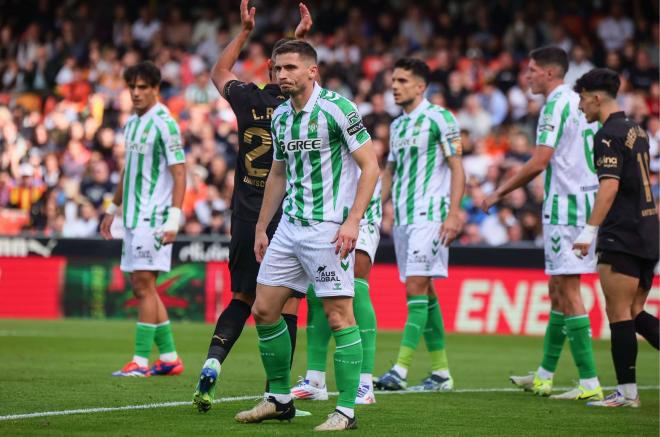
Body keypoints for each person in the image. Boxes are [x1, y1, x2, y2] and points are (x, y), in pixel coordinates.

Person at [233, 40, 379, 431]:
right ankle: (279, 400)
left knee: (337, 315)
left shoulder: (337, 109)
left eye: (291, 68)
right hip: (289, 228)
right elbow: (277, 173)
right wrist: (264, 226)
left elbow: (370, 166)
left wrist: (353, 221)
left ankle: (346, 410)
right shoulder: (280, 116)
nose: (282, 75)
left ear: (312, 71)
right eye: (278, 68)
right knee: (264, 310)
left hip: (328, 229)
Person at [192, 0, 312, 412]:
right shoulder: (292, 107)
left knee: (243, 298)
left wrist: (244, 32)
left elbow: (218, 72)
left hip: (245, 215)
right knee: (288, 304)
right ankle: (276, 394)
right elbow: (307, 78)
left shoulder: (246, 99)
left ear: (266, 73)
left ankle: (212, 361)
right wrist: (300, 42)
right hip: (286, 216)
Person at [481, 46, 603, 400]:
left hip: (565, 206)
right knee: (556, 292)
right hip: (582, 200)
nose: (527, 76)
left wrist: (497, 193)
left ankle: (590, 383)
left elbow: (539, 162)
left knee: (568, 291)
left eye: (532, 70)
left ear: (549, 73)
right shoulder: (579, 103)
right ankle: (545, 376)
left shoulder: (554, 104)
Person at [374, 58, 465, 392]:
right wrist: (372, 207)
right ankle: (441, 373)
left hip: (432, 216)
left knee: (415, 286)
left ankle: (399, 370)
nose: (394, 86)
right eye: (393, 80)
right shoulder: (398, 126)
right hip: (404, 219)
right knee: (424, 290)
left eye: (401, 80)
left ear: (420, 86)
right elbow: (390, 172)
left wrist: (454, 212)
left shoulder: (440, 118)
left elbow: (457, 167)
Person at [572, 68, 659, 407]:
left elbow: (610, 186)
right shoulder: (636, 129)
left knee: (619, 313)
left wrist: (589, 230)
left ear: (596, 97)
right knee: (636, 311)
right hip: (649, 230)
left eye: (581, 99)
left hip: (622, 233)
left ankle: (626, 393)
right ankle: (627, 392)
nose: (580, 107)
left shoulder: (606, 135)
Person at [100, 61, 186, 377]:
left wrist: (174, 219)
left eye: (142, 87)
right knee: (142, 287)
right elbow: (127, 171)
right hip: (134, 219)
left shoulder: (165, 124)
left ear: (155, 89)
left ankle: (139, 361)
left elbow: (180, 172)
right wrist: (112, 209)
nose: (136, 93)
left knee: (143, 284)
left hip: (156, 217)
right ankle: (169, 358)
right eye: (132, 87)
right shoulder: (132, 124)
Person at [291, 174, 381, 405]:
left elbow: (369, 162)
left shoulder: (352, 137)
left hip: (360, 217)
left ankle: (364, 383)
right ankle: (315, 380)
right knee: (317, 290)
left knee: (357, 283)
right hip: (325, 217)